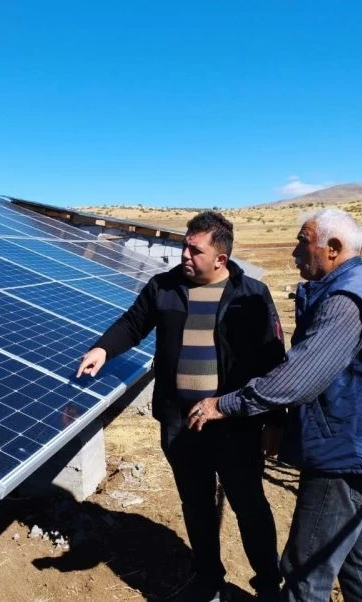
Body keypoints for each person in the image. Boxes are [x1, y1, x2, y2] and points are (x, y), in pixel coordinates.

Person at [191, 208, 362, 601]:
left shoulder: (345, 301)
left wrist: (224, 405)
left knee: (305, 570)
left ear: (332, 249)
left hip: (348, 453)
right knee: (357, 559)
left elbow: (296, 380)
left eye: (303, 241)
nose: (295, 253)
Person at [77, 211, 285, 601]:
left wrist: (275, 420)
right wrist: (103, 348)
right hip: (179, 421)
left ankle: (268, 583)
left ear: (220, 258)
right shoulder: (164, 288)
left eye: (194, 249)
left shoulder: (252, 295)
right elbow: (133, 323)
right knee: (196, 502)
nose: (184, 254)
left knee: (249, 504)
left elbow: (272, 359)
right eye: (184, 246)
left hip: (233, 421)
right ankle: (207, 576)